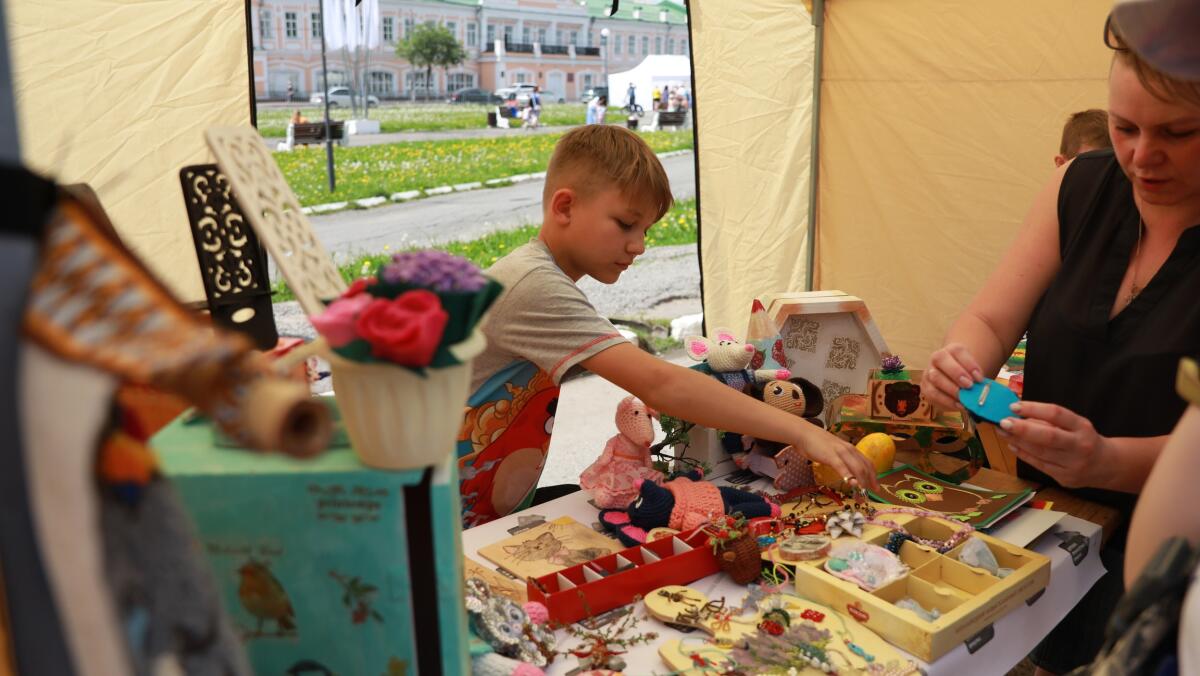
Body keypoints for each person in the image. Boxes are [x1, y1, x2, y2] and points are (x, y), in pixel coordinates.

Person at [924, 15, 1200, 675]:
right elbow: (990, 320)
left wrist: (1107, 461)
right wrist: (962, 358)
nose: (1141, 156)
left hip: (1172, 561)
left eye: (1178, 133)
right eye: (1124, 127)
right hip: (1045, 525)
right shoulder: (1079, 185)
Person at [455, 125, 878, 528]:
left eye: (646, 230)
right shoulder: (533, 284)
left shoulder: (538, 275)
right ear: (565, 206)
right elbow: (661, 384)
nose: (638, 246)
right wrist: (802, 432)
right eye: (625, 224)